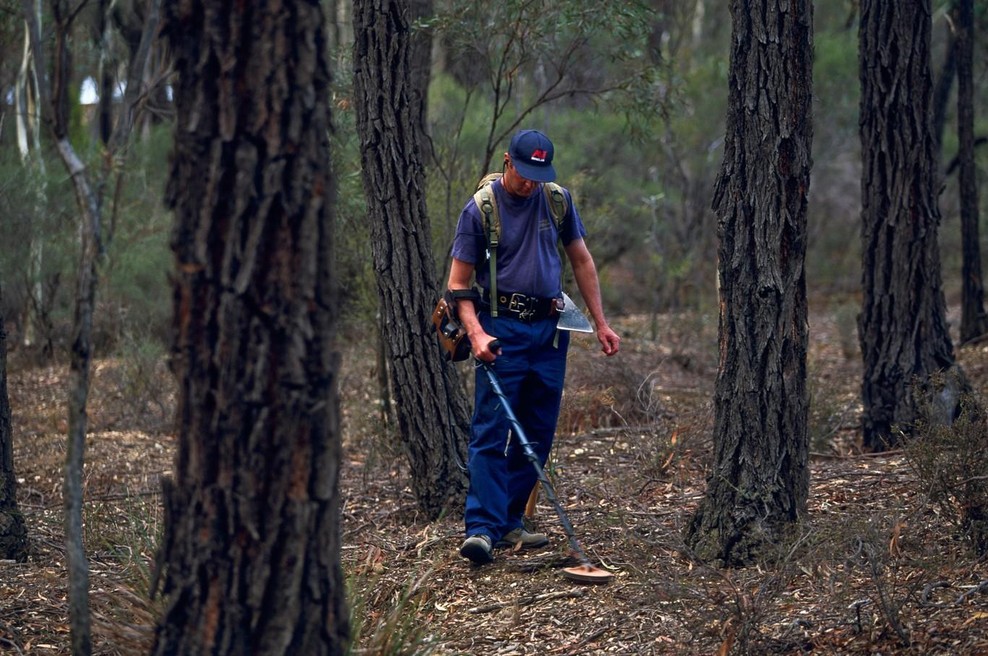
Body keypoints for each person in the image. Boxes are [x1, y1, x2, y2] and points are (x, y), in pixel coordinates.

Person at [446, 129, 621, 565]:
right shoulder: (480, 210)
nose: (529, 183)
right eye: (524, 173)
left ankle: (509, 521)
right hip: (500, 329)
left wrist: (600, 322)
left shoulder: (557, 200)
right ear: (508, 162)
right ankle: (482, 529)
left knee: (538, 430)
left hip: (550, 330)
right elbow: (458, 284)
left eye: (537, 175)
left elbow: (580, 258)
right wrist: (476, 333)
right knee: (492, 430)